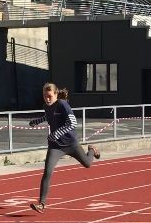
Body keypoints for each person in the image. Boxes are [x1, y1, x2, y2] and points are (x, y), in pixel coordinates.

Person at [28, 82, 100, 213]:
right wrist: (36, 121)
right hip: (55, 146)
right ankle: (42, 204)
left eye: (49, 96)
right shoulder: (46, 106)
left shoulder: (62, 104)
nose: (47, 99)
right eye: (44, 96)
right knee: (47, 172)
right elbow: (48, 116)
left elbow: (72, 123)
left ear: (56, 94)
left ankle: (91, 150)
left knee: (88, 164)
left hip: (71, 144)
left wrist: (56, 133)